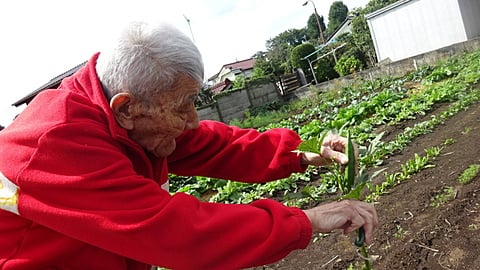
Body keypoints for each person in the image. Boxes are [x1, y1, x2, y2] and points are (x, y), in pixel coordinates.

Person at [0, 21, 377, 270]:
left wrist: (302, 152)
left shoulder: (127, 118)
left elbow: (213, 143)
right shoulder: (55, 141)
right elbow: (175, 233)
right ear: (127, 107)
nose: (193, 119)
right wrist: (305, 221)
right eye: (182, 106)